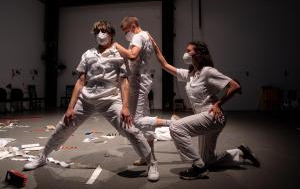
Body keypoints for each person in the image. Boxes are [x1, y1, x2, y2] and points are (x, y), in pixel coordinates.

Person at [23, 20, 159, 182]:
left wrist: (125, 107)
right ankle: (42, 156)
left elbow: (124, 82)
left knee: (131, 130)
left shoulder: (118, 55)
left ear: (111, 35)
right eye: (98, 32)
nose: (101, 35)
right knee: (63, 127)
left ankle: (152, 163)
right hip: (86, 100)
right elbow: (80, 81)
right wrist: (70, 107)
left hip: (110, 101)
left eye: (104, 32)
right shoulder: (88, 54)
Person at [150, 39, 260, 180]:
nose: (186, 53)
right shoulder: (190, 74)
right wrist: (154, 46)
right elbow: (165, 65)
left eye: (189, 50)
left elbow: (235, 86)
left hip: (212, 116)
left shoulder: (207, 71)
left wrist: (218, 104)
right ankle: (241, 153)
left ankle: (199, 167)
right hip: (204, 117)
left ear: (199, 53)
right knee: (209, 160)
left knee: (176, 127)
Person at [114, 16, 173, 177]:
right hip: (142, 80)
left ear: (133, 26)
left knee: (137, 120)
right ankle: (148, 157)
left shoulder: (139, 36)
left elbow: (132, 55)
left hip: (139, 83)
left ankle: (172, 123)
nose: (126, 35)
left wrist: (117, 46)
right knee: (143, 120)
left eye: (126, 31)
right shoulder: (147, 35)